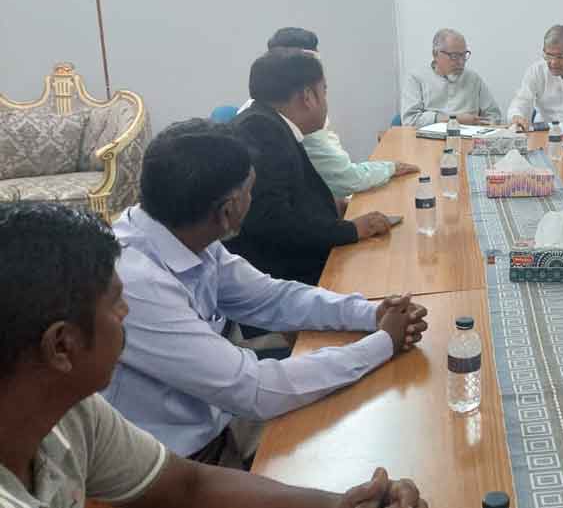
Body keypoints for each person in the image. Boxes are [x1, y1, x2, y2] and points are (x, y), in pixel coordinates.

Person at [0, 201, 428, 507]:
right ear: (62, 345)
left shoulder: (75, 413)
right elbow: (252, 391)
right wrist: (382, 342)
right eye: (115, 305)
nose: (127, 313)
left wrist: (339, 504)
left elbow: (189, 486)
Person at [100, 120, 428, 467]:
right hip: (173, 466)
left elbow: (273, 297)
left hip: (218, 422)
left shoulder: (185, 234)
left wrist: (371, 314)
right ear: (228, 210)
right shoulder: (136, 284)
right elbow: (254, 389)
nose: (253, 199)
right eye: (250, 190)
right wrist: (382, 344)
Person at [226, 48, 393, 286]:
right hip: (284, 278)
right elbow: (275, 223)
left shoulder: (267, 122)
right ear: (307, 96)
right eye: (324, 91)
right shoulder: (263, 133)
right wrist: (352, 230)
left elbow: (289, 196)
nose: (326, 101)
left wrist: (334, 207)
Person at [258, 27, 419, 199]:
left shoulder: (264, 107)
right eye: (323, 90)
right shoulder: (296, 121)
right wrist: (391, 168)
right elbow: (346, 179)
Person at [399, 28, 503, 126]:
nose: (461, 62)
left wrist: (484, 125)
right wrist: (454, 120)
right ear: (435, 54)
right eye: (454, 56)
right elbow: (409, 120)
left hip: (469, 136)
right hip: (427, 137)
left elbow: (494, 115)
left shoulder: (473, 78)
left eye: (464, 55)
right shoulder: (416, 79)